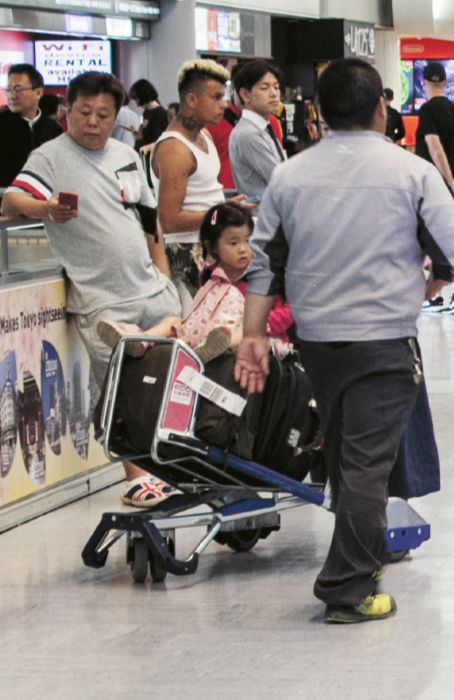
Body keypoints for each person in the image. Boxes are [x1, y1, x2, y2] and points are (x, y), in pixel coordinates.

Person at [234, 58, 454, 623]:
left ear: (317, 113)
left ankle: (361, 556)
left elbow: (264, 263)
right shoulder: (410, 171)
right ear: (380, 109)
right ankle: (346, 585)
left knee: (346, 454)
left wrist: (251, 335)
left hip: (316, 340)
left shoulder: (290, 175)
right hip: (384, 339)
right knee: (367, 462)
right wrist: (423, 286)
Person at [1, 71, 181, 508]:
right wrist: (45, 207)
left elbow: (146, 217)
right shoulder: (50, 156)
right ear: (67, 112)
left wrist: (162, 272)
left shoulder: (124, 154)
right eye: (84, 112)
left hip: (151, 291)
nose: (94, 122)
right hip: (102, 302)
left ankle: (176, 468)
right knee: (121, 389)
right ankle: (137, 477)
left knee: (170, 386)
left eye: (104, 114)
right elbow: (11, 200)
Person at [97, 202, 291, 359]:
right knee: (174, 320)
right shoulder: (214, 278)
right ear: (213, 247)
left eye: (248, 241)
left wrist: (258, 322)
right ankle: (139, 339)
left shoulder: (263, 277)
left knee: (243, 333)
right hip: (207, 333)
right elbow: (199, 313)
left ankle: (215, 348)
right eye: (233, 243)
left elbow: (289, 312)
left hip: (254, 338)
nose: (243, 249)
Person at [152, 59, 242, 309]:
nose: (223, 105)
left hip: (207, 245)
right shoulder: (175, 149)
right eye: (216, 97)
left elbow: (203, 196)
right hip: (186, 252)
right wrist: (221, 213)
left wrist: (225, 208)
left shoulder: (203, 135)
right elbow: (169, 220)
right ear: (192, 100)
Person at [416, 62, 454, 315]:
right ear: (445, 83)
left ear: (423, 83)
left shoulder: (428, 110)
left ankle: (435, 296)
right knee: (444, 239)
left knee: (426, 239)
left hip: (430, 187)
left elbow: (434, 146)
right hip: (450, 189)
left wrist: (448, 179)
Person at [229, 60, 287, 198]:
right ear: (245, 95)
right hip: (262, 215)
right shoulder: (248, 134)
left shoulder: (263, 127)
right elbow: (282, 179)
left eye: (276, 87)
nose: (273, 93)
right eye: (264, 88)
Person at [1, 65, 62, 188]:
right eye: (8, 89)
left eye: (18, 89)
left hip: (43, 201)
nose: (12, 96)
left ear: (38, 92)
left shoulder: (54, 130)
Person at [129, 79, 168, 150]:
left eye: (136, 99)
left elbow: (159, 141)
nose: (136, 102)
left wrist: (145, 146)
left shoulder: (160, 113)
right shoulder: (146, 112)